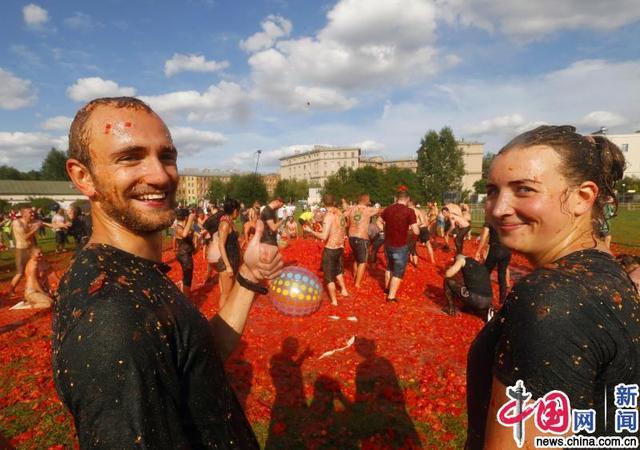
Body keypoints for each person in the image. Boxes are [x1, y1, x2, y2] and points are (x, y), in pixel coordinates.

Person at [55, 96, 283, 449]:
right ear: (83, 177)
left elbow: (197, 356)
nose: (160, 175)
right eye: (130, 157)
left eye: (167, 156)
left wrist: (249, 277)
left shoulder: (130, 272)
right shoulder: (111, 315)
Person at [466, 125, 640, 448]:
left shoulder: (553, 297)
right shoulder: (608, 273)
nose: (499, 208)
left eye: (524, 190)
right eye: (492, 191)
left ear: (582, 197)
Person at [304, 194, 349, 305]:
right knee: (338, 270)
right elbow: (345, 226)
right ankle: (344, 290)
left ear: (323, 203)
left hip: (331, 249)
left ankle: (334, 301)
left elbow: (324, 236)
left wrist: (311, 231)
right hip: (340, 246)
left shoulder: (328, 216)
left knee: (329, 277)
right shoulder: (339, 213)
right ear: (334, 202)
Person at [380, 190, 419, 303]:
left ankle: (387, 289)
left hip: (388, 243)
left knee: (389, 267)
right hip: (400, 244)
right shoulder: (409, 211)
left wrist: (385, 232)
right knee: (398, 272)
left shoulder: (388, 209)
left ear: (397, 198)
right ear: (407, 199)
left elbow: (379, 221)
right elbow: (416, 231)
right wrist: (409, 234)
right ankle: (391, 297)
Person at [443, 253, 493, 321]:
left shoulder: (461, 260)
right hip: (488, 300)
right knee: (466, 287)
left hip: (476, 299)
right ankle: (473, 308)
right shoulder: (478, 265)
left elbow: (448, 274)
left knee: (448, 281)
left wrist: (452, 269)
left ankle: (450, 309)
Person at [345, 193, 378, 289]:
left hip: (351, 237)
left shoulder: (351, 209)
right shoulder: (368, 210)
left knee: (356, 259)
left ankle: (355, 278)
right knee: (363, 261)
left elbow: (344, 217)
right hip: (361, 237)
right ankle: (357, 283)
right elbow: (380, 210)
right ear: (366, 200)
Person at [8, 207, 43, 297]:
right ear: (24, 214)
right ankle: (11, 290)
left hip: (31, 250)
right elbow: (25, 237)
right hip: (22, 250)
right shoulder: (17, 223)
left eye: (32, 212)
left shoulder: (32, 222)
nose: (32, 214)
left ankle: (34, 288)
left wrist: (60, 225)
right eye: (30, 212)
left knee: (34, 269)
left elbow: (44, 224)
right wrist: (35, 229)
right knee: (20, 273)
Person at [475, 222, 512, 304]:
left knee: (485, 273)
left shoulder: (490, 219)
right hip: (507, 250)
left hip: (496, 249)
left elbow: (484, 236)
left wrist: (478, 251)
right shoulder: (504, 218)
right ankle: (502, 301)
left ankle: (482, 296)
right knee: (502, 275)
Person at [216, 198, 242, 308]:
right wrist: (228, 266)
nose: (239, 213)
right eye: (239, 210)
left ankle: (227, 317)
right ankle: (221, 322)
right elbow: (221, 245)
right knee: (225, 294)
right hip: (227, 263)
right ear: (235, 210)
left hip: (233, 260)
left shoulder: (230, 222)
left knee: (230, 292)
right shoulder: (225, 224)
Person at [174, 208, 196, 298]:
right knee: (188, 277)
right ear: (186, 217)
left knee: (186, 275)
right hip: (184, 255)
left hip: (185, 253)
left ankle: (185, 293)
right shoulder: (178, 227)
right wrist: (190, 220)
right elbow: (184, 234)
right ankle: (187, 299)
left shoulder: (181, 227)